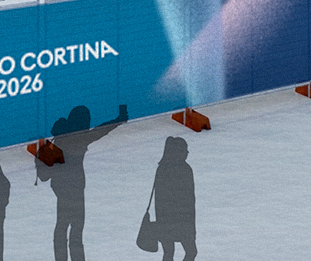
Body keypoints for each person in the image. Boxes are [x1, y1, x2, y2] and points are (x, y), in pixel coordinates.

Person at [37, 103, 129, 261]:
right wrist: (119, 119)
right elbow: (101, 130)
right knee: (76, 228)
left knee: (62, 225)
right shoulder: (80, 138)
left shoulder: (61, 135)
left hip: (61, 187)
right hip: (75, 188)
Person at [148, 135, 197, 261]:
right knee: (191, 252)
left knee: (168, 253)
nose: (187, 152)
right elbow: (189, 200)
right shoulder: (185, 169)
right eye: (185, 149)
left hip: (164, 221)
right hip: (183, 220)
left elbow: (159, 200)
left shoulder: (162, 168)